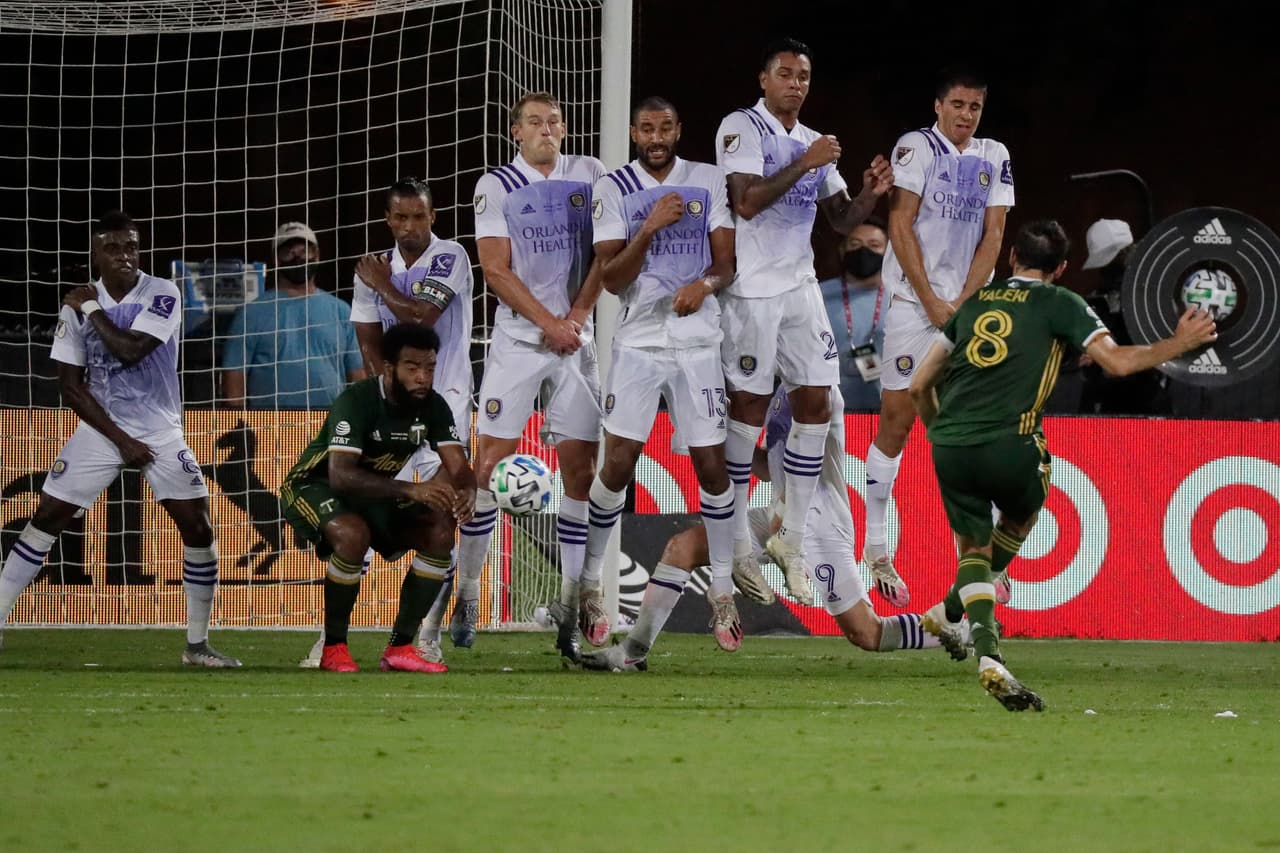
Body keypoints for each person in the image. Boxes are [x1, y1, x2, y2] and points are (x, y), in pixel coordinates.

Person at [909, 219, 1217, 710]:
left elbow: (918, 385)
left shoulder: (974, 303)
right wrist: (1180, 343)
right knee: (1024, 509)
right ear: (1062, 268)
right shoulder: (1061, 302)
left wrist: (939, 433)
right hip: (1009, 444)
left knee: (973, 550)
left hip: (950, 444)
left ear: (1012, 257)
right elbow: (1117, 363)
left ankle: (954, 620)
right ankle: (981, 645)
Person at [0, 210, 240, 666]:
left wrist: (91, 308)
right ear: (96, 254)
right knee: (47, 517)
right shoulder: (72, 310)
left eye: (131, 246)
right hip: (102, 429)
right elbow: (71, 387)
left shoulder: (162, 293)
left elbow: (131, 350)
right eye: (112, 248)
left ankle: (196, 645)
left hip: (160, 429)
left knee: (199, 526)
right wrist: (120, 439)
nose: (124, 255)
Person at [581, 384, 957, 672]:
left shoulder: (817, 386)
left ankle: (958, 631)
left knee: (867, 633)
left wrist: (783, 520)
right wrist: (725, 446)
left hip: (818, 524)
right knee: (682, 548)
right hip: (778, 514)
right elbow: (770, 466)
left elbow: (806, 463)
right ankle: (631, 653)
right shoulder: (780, 393)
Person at [583, 96, 770, 654]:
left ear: (679, 129)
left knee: (712, 466)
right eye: (647, 128)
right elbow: (611, 280)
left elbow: (726, 264)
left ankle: (720, 591)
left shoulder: (707, 180)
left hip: (697, 346)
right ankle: (591, 585)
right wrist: (649, 228)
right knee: (618, 463)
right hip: (638, 346)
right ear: (634, 133)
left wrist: (703, 286)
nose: (656, 137)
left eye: (665, 127)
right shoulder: (613, 188)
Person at [714, 37, 894, 607]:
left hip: (799, 287)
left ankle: (789, 539)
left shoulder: (814, 142)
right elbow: (746, 202)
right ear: (764, 79)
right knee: (748, 408)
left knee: (817, 401)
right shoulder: (741, 127)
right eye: (786, 74)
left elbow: (840, 220)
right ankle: (736, 539)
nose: (796, 84)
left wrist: (870, 193)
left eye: (804, 76)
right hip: (751, 290)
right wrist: (805, 163)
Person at [862, 65, 1014, 599]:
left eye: (975, 107)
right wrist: (930, 298)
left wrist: (965, 304)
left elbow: (994, 233)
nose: (966, 115)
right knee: (898, 421)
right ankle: (876, 547)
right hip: (914, 306)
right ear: (938, 106)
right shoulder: (917, 147)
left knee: (972, 428)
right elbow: (900, 223)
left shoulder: (995, 155)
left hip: (965, 309)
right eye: (958, 105)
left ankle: (980, 558)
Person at [467, 91, 607, 662]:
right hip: (519, 343)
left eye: (554, 121)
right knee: (486, 467)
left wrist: (575, 318)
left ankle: (572, 607)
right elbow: (495, 269)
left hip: (576, 341)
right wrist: (550, 323)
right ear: (515, 132)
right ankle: (468, 595)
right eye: (534, 122)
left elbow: (606, 252)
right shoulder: (496, 184)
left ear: (564, 129)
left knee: (581, 472)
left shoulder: (590, 173)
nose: (545, 129)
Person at [279, 323, 476, 673]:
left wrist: (468, 492)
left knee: (440, 532)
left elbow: (458, 465)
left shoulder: (433, 406)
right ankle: (333, 647)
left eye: (429, 368)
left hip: (373, 492)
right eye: (412, 368)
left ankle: (400, 648)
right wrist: (411, 488)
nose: (422, 377)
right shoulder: (357, 400)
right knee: (353, 535)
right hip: (313, 485)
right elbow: (341, 476)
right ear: (389, 368)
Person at [348, 177, 476, 663]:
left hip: (447, 405)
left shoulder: (450, 256)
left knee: (440, 516)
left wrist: (382, 284)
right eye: (400, 218)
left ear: (432, 216)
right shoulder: (373, 267)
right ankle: (332, 637)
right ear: (388, 220)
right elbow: (367, 337)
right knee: (358, 517)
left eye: (418, 216)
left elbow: (421, 318)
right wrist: (382, 392)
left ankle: (425, 634)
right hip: (395, 412)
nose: (409, 227)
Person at [221, 222, 365, 408]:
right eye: (289, 252)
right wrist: (236, 423)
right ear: (276, 259)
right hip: (272, 422)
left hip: (330, 420)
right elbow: (234, 377)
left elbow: (357, 374)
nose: (298, 257)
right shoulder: (251, 314)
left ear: (317, 255)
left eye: (305, 251)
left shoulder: (341, 311)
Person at [1077, 218, 1172, 415]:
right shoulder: (1098, 299)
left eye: (1112, 263)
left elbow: (1164, 353)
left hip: (1146, 403)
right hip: (1102, 404)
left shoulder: (1154, 298)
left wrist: (1111, 361)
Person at [818, 217, 889, 413]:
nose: (863, 251)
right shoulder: (817, 295)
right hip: (830, 412)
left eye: (874, 245)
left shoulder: (901, 298)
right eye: (855, 244)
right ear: (842, 250)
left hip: (885, 413)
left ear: (888, 253)